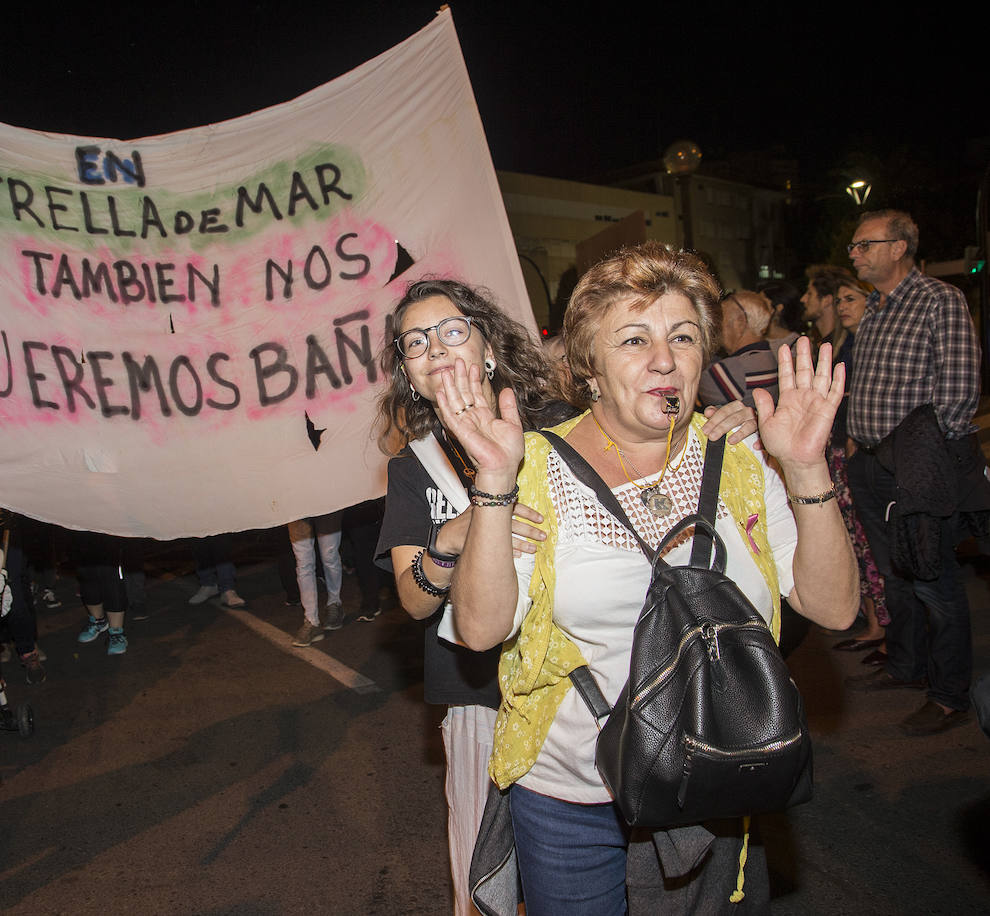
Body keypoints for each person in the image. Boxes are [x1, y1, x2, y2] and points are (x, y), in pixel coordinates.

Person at [444, 243, 857, 912]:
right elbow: (481, 628)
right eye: (634, 339)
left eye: (684, 337)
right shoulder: (532, 470)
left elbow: (834, 609)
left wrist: (807, 468)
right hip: (571, 795)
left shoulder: (744, 457)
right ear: (591, 369)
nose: (664, 358)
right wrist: (493, 485)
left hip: (712, 777)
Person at [372, 276, 759, 914]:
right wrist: (453, 537)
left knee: (659, 868)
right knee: (492, 859)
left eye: (451, 331)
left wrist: (718, 430)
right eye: (415, 343)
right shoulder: (414, 468)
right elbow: (414, 603)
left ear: (489, 347)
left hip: (600, 686)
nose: (435, 349)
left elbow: (661, 466)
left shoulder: (563, 429)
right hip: (480, 689)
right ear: (409, 373)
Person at [842, 210, 988, 736]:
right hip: (873, 462)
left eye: (864, 244)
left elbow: (959, 391)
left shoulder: (939, 300)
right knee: (894, 576)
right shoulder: (877, 308)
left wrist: (920, 453)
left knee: (933, 582)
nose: (853, 254)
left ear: (899, 247)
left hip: (918, 467)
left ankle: (950, 695)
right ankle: (908, 665)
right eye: (854, 246)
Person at [800, 270, 888, 655]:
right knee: (854, 539)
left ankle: (881, 626)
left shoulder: (867, 345)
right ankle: (874, 623)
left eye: (851, 299)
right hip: (837, 450)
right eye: (840, 301)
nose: (842, 307)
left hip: (858, 452)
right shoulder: (843, 343)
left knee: (866, 542)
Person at [695, 290, 779, 408]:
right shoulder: (770, 356)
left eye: (720, 319)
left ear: (740, 323)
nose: (715, 327)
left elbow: (693, 383)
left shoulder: (733, 369)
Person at [287, 510, 345, 646]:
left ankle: (334, 603)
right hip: (295, 503)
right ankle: (311, 621)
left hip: (325, 500)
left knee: (329, 556)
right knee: (303, 563)